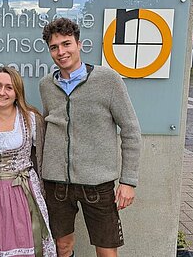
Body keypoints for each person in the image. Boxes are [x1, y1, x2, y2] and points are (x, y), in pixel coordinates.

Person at [39, 17, 141, 257]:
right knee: (61, 247)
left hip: (98, 183)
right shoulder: (46, 85)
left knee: (106, 250)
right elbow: (46, 126)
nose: (61, 52)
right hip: (57, 184)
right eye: (54, 47)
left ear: (79, 44)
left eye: (66, 44)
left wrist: (128, 181)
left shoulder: (108, 80)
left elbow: (130, 131)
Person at [0, 66, 57, 257]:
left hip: (22, 194)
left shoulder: (31, 119)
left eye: (9, 87)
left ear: (17, 92)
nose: (2, 92)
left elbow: (41, 157)